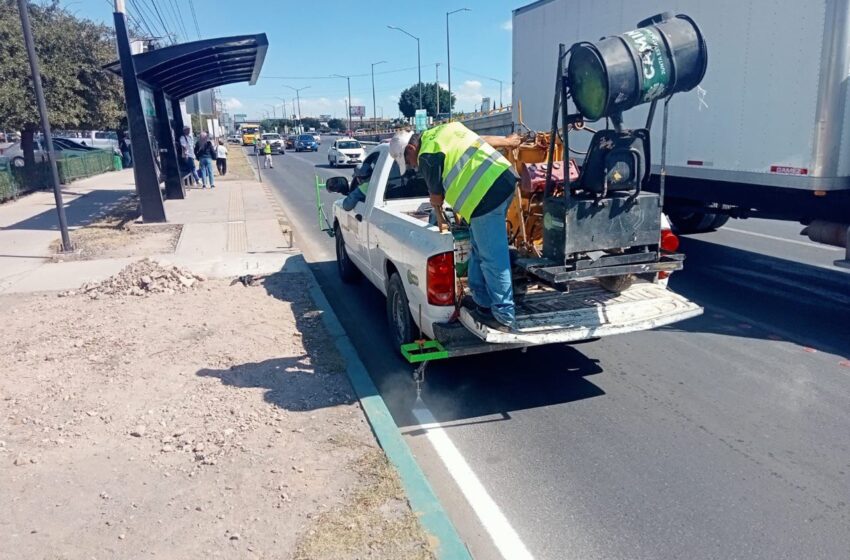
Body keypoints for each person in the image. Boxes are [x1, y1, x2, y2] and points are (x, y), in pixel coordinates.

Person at [390, 123, 521, 332]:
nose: (413, 167)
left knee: (493, 257)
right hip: (503, 180)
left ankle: (504, 317)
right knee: (478, 250)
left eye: (408, 162)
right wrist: (507, 141)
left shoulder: (426, 155)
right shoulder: (444, 131)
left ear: (411, 149)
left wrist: (437, 206)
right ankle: (482, 303)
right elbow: (481, 140)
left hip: (485, 196)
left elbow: (436, 196)